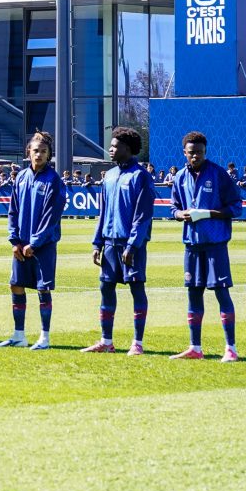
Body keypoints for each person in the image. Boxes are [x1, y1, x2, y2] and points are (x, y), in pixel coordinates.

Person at [170, 130, 244, 362]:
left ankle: (230, 348)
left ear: (205, 152)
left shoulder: (219, 174)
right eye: (191, 153)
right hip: (192, 245)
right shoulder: (180, 177)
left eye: (200, 153)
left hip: (215, 244)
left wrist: (208, 214)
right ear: (184, 153)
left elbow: (236, 207)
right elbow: (173, 208)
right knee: (193, 294)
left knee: (221, 293)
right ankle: (195, 347)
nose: (195, 157)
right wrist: (181, 214)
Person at [82, 126, 154, 356]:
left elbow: (143, 215)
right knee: (106, 288)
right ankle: (106, 341)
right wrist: (97, 244)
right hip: (110, 244)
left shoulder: (141, 176)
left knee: (136, 289)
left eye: (115, 146)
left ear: (128, 148)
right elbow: (102, 213)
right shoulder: (110, 176)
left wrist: (133, 245)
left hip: (131, 245)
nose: (110, 149)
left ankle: (137, 343)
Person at [0, 131, 66, 350]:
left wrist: (34, 243)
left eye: (43, 152)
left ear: (49, 155)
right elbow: (12, 210)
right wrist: (14, 241)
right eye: (35, 151)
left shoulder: (54, 181)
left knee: (43, 289)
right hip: (21, 245)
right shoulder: (22, 177)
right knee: (15, 285)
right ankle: (19, 335)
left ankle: (44, 337)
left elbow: (51, 217)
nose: (39, 155)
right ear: (28, 153)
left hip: (42, 246)